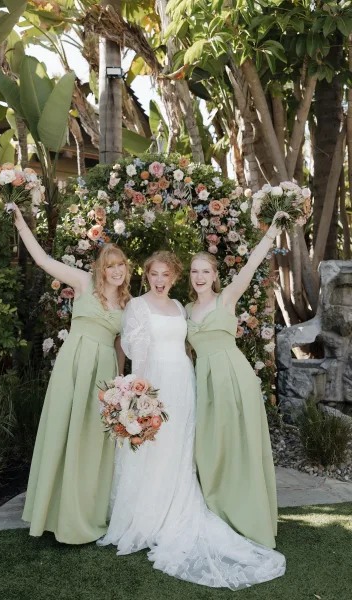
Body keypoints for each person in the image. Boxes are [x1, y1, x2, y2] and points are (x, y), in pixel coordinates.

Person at [98, 250, 285, 589]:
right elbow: (134, 352)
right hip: (155, 383)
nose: (159, 280)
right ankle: (147, 517)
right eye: (154, 274)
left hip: (185, 383)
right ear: (147, 276)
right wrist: (135, 394)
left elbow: (188, 348)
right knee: (153, 448)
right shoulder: (137, 306)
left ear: (173, 278)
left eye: (165, 275)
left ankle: (181, 506)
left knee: (180, 449)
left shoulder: (181, 308)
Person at [12, 205, 131, 544]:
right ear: (101, 269)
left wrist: (118, 386)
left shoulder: (127, 304)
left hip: (103, 372)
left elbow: (121, 346)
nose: (116, 271)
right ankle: (50, 512)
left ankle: (84, 512)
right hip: (75, 364)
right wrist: (22, 225)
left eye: (121, 264)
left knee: (91, 441)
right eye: (110, 266)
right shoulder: (83, 282)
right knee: (63, 431)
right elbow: (44, 262)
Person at [186, 215, 282, 549]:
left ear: (215, 276)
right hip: (204, 385)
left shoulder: (226, 298)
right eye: (195, 271)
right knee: (211, 448)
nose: (199, 277)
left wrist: (272, 230)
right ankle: (217, 510)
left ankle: (248, 514)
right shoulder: (183, 310)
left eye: (206, 271)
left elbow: (251, 265)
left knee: (239, 446)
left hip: (233, 377)